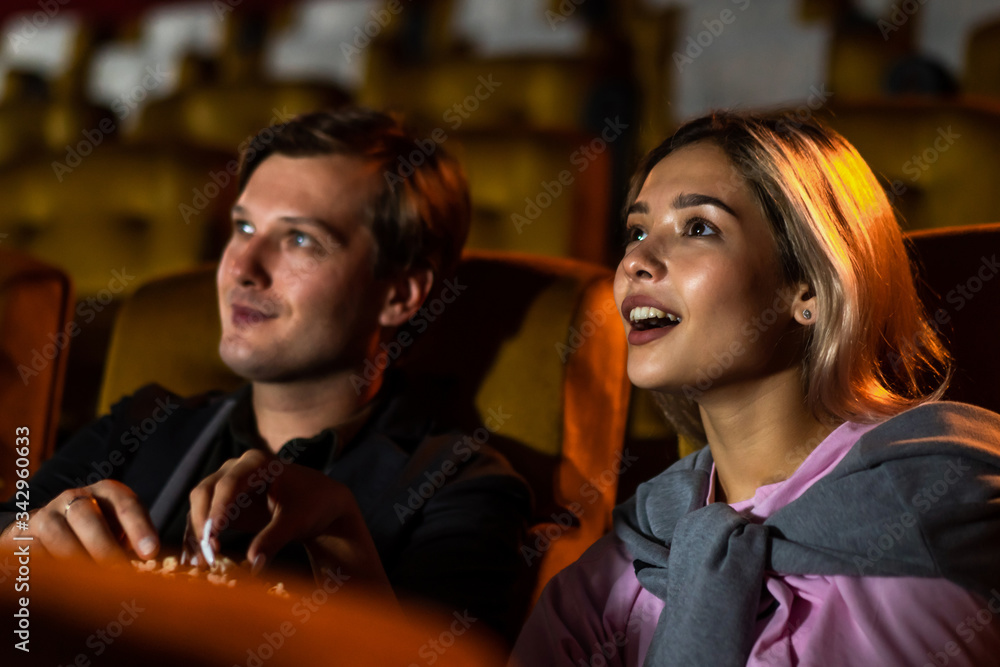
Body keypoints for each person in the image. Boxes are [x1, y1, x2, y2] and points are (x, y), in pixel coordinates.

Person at [0, 107, 533, 642]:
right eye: (244, 227)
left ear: (399, 294)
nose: (242, 267)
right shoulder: (143, 420)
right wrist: (19, 556)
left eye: (300, 239)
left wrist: (341, 539)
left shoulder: (458, 482)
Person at [511, 112, 1000, 666]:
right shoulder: (634, 549)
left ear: (809, 288)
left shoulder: (939, 511)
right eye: (637, 231)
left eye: (698, 228)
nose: (635, 263)